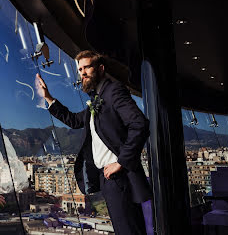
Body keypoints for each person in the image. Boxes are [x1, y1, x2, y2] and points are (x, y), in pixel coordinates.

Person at [36, 50, 152, 235]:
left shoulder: (114, 91)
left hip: (118, 177)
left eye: (86, 67)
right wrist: (49, 98)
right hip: (107, 177)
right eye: (80, 69)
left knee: (129, 230)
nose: (82, 73)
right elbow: (74, 120)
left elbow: (140, 124)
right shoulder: (97, 98)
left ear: (100, 69)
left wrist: (121, 162)